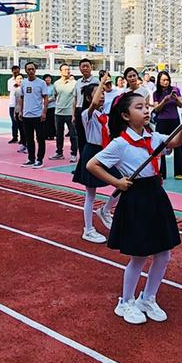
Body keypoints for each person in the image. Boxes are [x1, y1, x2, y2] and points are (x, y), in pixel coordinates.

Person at [86, 92, 182, 325]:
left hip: (156, 195)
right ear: (126, 115)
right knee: (139, 255)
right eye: (139, 107)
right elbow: (92, 164)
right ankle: (125, 301)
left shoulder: (153, 137)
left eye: (146, 106)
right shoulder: (120, 144)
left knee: (164, 254)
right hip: (136, 199)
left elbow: (176, 142)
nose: (146, 110)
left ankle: (148, 298)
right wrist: (116, 182)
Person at [71, 78, 118, 243]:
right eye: (99, 93)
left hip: (106, 152)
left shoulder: (104, 115)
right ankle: (88, 229)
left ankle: (105, 210)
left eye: (104, 93)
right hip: (92, 153)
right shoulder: (86, 114)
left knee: (124, 182)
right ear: (90, 98)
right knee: (90, 194)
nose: (102, 96)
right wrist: (101, 83)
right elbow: (94, 104)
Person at [151, 71, 182, 180]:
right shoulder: (156, 93)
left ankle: (179, 172)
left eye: (167, 80)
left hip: (174, 120)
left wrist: (175, 99)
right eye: (163, 80)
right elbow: (156, 109)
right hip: (161, 121)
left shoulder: (175, 90)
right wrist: (164, 101)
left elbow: (180, 105)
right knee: (161, 146)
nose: (166, 82)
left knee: (178, 146)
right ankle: (161, 172)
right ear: (159, 81)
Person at [16, 61, 49, 168]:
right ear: (25, 70)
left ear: (35, 70)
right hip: (26, 116)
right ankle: (31, 159)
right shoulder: (24, 83)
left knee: (40, 138)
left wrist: (44, 112)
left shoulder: (41, 83)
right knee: (29, 139)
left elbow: (46, 98)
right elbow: (21, 97)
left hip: (38, 116)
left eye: (32, 69)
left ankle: (39, 160)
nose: (30, 71)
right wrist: (20, 111)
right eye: (28, 69)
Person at [50, 64, 78, 163]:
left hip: (70, 112)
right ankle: (59, 152)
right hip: (58, 113)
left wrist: (75, 114)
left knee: (73, 135)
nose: (67, 71)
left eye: (68, 69)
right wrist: (45, 102)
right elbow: (54, 97)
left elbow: (76, 98)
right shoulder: (56, 83)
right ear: (60, 71)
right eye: (65, 69)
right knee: (59, 134)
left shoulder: (75, 83)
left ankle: (74, 154)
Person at [73, 58, 100, 154]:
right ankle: (81, 161)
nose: (85, 68)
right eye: (83, 66)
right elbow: (75, 99)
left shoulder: (96, 82)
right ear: (79, 68)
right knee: (80, 137)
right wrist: (73, 115)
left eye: (87, 66)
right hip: (79, 110)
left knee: (90, 137)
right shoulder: (78, 82)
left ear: (91, 68)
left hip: (91, 111)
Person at [7, 65, 24, 145]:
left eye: (17, 70)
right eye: (14, 71)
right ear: (12, 71)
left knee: (21, 122)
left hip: (20, 105)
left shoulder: (23, 81)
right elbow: (10, 92)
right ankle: (14, 137)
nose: (15, 72)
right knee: (14, 122)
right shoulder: (10, 81)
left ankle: (23, 138)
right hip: (12, 104)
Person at [42, 73, 56, 141]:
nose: (48, 80)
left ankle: (52, 135)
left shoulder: (53, 87)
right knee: (44, 121)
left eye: (49, 78)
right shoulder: (42, 86)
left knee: (51, 121)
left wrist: (47, 101)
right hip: (44, 107)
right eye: (46, 78)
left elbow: (54, 96)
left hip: (52, 106)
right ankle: (45, 134)